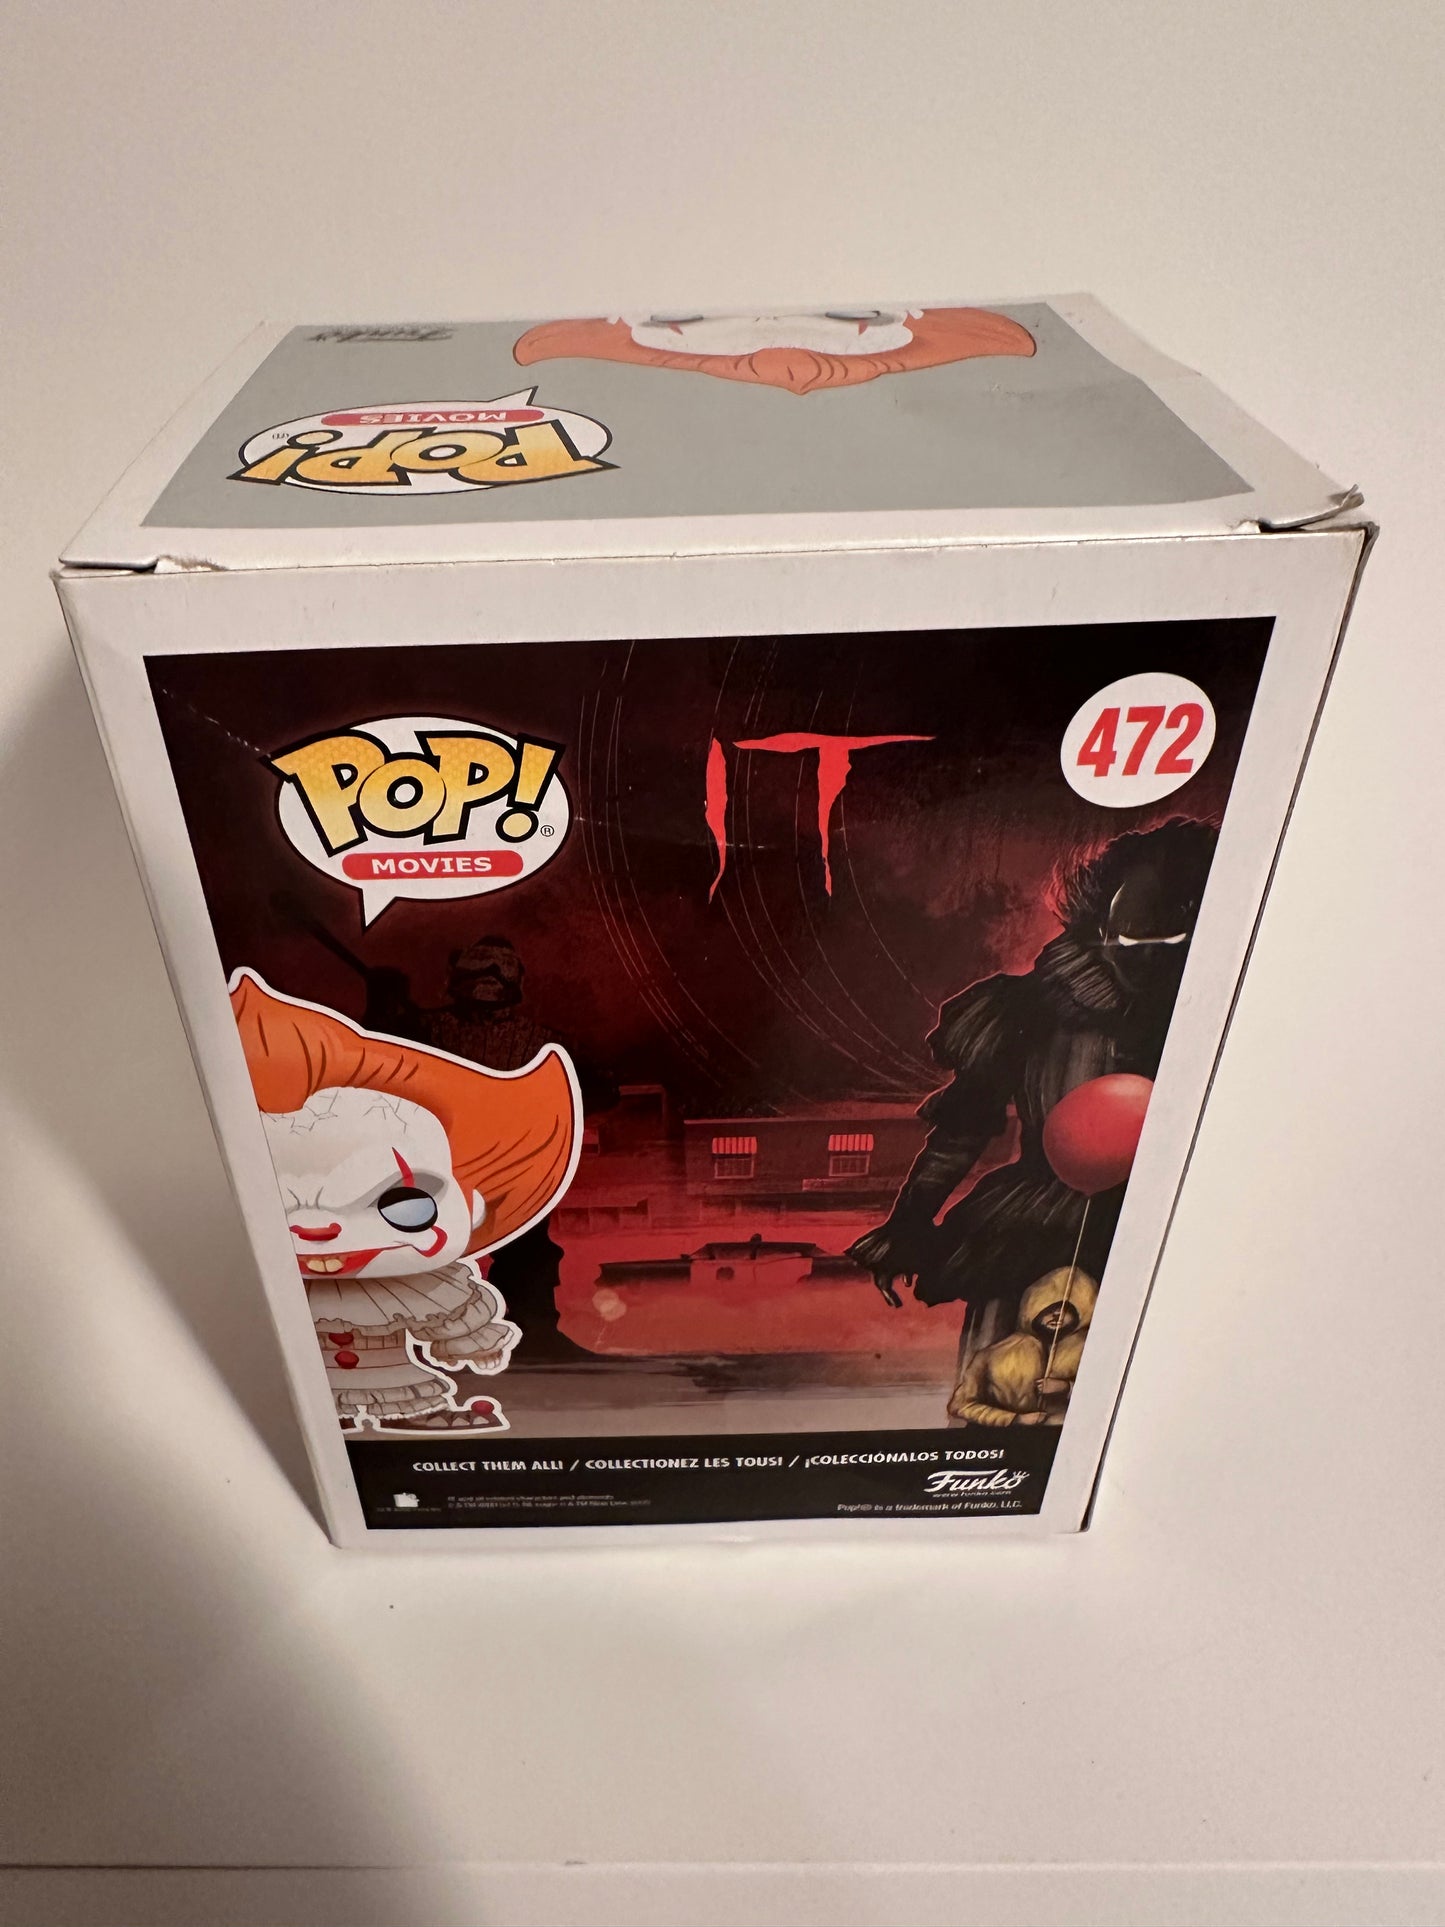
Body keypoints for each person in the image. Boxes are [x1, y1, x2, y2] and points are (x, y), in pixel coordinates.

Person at [850, 820, 1217, 1353]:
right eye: (1135, 938)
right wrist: (906, 1226)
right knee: (1008, 1382)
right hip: (1036, 1235)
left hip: (1188, 1229)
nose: (1149, 958)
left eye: (1173, 941)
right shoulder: (1028, 1008)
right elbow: (961, 1129)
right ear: (1102, 928)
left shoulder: (1238, 1013)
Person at [231, 970, 580, 1431]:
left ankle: (422, 1407)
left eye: (404, 1206)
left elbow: (452, 1318)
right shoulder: (428, 1025)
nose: (318, 1228)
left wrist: (474, 1342)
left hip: (398, 1378)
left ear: (473, 1203)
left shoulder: (421, 1287)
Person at [948, 1268, 1098, 1427]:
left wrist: (1067, 1388)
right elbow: (961, 1405)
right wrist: (1014, 1419)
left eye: (1066, 1309)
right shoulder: (993, 1354)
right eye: (1050, 1308)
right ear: (1033, 1308)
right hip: (1008, 1437)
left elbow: (1107, 1395)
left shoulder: (1092, 1349)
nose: (1057, 1315)